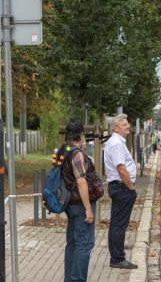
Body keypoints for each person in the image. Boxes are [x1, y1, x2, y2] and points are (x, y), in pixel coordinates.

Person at [62, 121, 96, 282]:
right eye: (83, 135)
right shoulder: (77, 154)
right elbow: (81, 182)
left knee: (72, 244)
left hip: (69, 203)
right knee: (84, 244)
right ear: (81, 136)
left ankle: (69, 279)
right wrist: (88, 208)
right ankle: (77, 280)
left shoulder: (64, 151)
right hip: (80, 205)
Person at [104, 114, 138, 269]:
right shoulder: (117, 143)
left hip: (118, 186)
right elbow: (121, 168)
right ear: (115, 127)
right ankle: (118, 258)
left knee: (116, 224)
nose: (128, 126)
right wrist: (130, 187)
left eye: (127, 123)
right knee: (119, 225)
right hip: (122, 187)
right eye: (124, 124)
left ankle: (116, 257)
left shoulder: (114, 142)